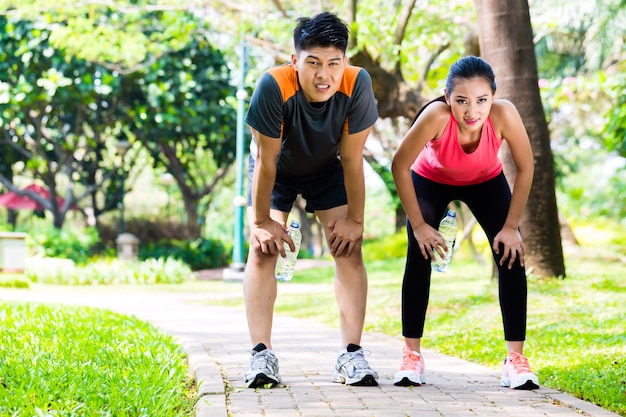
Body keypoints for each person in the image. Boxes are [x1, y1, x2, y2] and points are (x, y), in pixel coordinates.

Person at [242, 11, 379, 389]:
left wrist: (356, 220)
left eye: (334, 63)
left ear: (345, 62)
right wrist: (260, 222)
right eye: (313, 62)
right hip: (278, 171)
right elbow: (266, 160)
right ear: (295, 61)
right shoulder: (273, 85)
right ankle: (261, 355)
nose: (324, 74)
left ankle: (351, 354)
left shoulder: (358, 83)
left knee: (348, 247)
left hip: (326, 168)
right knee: (262, 248)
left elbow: (352, 158)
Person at [390, 56, 540, 390]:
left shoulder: (504, 114)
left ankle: (515, 360)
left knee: (511, 255)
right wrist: (418, 226)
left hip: (487, 181)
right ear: (447, 99)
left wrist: (511, 227)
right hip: (430, 180)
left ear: (493, 97)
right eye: (461, 101)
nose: (472, 111)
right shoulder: (436, 117)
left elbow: (527, 167)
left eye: (481, 100)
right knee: (419, 254)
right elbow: (400, 165)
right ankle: (411, 355)